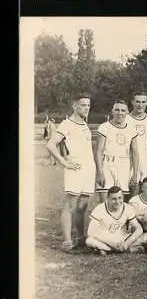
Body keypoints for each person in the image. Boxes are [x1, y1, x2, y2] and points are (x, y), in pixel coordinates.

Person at [45, 92, 96, 252]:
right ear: (74, 106)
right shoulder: (67, 124)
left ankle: (80, 237)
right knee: (70, 204)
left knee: (83, 205)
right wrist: (65, 162)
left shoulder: (85, 124)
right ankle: (67, 241)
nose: (86, 108)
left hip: (89, 169)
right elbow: (51, 145)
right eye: (82, 105)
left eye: (88, 105)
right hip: (75, 169)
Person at [95, 100, 139, 203]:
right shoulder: (104, 127)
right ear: (112, 111)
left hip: (124, 165)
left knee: (121, 201)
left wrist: (135, 174)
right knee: (105, 200)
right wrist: (100, 172)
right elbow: (98, 151)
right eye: (117, 110)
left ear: (127, 112)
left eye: (123, 110)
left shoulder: (131, 129)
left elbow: (135, 152)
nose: (120, 113)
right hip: (107, 163)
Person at [86, 186, 147, 255]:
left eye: (120, 198)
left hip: (122, 238)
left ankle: (108, 250)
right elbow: (90, 232)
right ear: (107, 199)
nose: (117, 201)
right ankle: (126, 249)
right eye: (114, 199)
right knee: (89, 241)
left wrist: (126, 244)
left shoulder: (127, 208)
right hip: (105, 238)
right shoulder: (99, 209)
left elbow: (139, 229)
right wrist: (110, 242)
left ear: (123, 198)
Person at [127, 91, 147, 195]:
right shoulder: (126, 118)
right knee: (131, 185)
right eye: (137, 101)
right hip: (130, 156)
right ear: (132, 102)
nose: (140, 105)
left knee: (145, 186)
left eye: (143, 102)